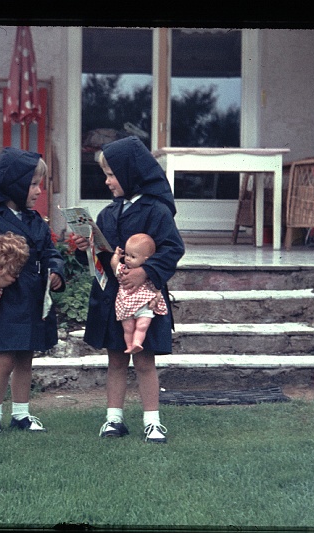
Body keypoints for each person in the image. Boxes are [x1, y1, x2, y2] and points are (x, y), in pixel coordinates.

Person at [72, 136, 185, 444]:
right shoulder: (108, 214)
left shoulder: (156, 211)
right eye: (105, 175)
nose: (107, 181)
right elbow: (106, 258)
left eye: (112, 174)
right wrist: (88, 246)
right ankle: (113, 420)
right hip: (114, 303)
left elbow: (173, 248)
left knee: (145, 361)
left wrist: (146, 271)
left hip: (144, 301)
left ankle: (153, 422)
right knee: (117, 360)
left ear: (130, 172)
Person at [0, 147, 65, 435]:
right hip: (6, 303)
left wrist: (56, 270)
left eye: (39, 184)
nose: (38, 190)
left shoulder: (35, 222)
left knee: (25, 359)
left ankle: (21, 413)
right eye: (33, 184)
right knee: (4, 360)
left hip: (31, 302)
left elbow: (50, 252)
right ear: (14, 185)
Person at [110, 233, 168, 355]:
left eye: (133, 256)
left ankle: (137, 343)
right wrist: (116, 255)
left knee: (142, 326)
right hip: (125, 305)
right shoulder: (123, 270)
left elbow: (156, 288)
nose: (127, 259)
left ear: (145, 259)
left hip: (144, 305)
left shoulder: (149, 273)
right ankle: (129, 345)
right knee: (128, 328)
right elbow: (114, 265)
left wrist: (156, 297)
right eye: (126, 255)